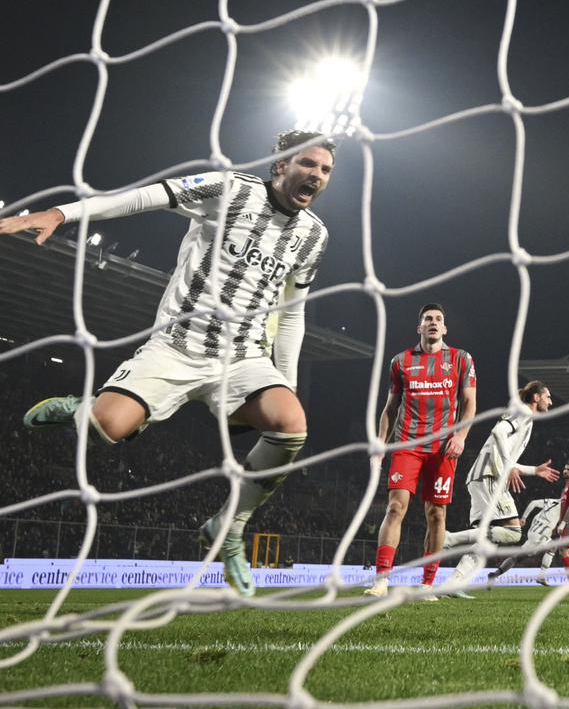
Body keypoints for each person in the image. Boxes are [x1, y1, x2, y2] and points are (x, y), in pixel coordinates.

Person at [1, 131, 336, 597]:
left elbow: (293, 310)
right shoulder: (229, 189)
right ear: (281, 164)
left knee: (291, 425)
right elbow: (143, 198)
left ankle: (229, 527)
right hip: (177, 347)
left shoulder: (314, 236)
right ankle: (82, 407)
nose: (317, 176)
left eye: (325, 170)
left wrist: (287, 380)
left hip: (242, 357)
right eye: (309, 164)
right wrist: (62, 212)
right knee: (104, 428)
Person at [365, 303, 477, 600]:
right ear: (419, 327)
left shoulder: (461, 359)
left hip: (443, 450)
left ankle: (427, 584)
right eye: (428, 318)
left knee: (437, 515)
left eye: (439, 319)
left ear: (445, 328)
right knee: (395, 508)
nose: (433, 322)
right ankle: (381, 581)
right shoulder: (400, 361)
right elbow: (390, 407)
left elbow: (470, 405)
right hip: (407, 445)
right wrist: (380, 441)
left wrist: (461, 436)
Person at [439, 381, 559, 597]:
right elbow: (498, 431)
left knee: (486, 542)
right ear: (536, 398)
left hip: (483, 477)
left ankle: (453, 584)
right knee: (514, 532)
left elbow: (506, 453)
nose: (551, 401)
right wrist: (509, 466)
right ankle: (450, 539)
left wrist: (533, 470)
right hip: (490, 476)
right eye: (548, 396)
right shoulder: (523, 412)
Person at [487, 496, 563, 586]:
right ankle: (541, 576)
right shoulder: (564, 506)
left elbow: (533, 502)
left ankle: (495, 574)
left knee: (517, 557)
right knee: (553, 547)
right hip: (541, 532)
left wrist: (524, 518)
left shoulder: (551, 501)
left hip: (533, 530)